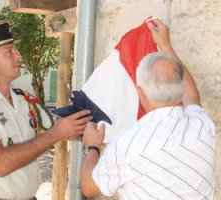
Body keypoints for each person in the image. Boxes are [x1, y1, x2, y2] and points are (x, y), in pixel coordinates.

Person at [0, 19, 92, 200]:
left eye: (16, 50)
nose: (18, 56)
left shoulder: (22, 99)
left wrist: (73, 125)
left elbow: (47, 133)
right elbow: (0, 164)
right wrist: (55, 134)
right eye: (9, 52)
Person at [80, 19, 216, 200]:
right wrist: (165, 45)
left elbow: (89, 188)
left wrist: (92, 147)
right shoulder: (201, 126)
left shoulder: (126, 145)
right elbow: (191, 96)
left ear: (141, 93)